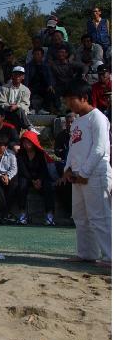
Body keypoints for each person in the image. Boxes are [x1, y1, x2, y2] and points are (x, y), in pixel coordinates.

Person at [61, 82, 111, 263]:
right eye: (67, 100)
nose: (69, 104)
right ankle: (87, 253)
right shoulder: (76, 121)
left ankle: (110, 256)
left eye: (71, 100)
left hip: (95, 173)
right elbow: (73, 147)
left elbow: (100, 149)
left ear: (84, 98)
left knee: (100, 216)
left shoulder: (97, 117)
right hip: (78, 175)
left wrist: (85, 172)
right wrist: (67, 168)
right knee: (81, 217)